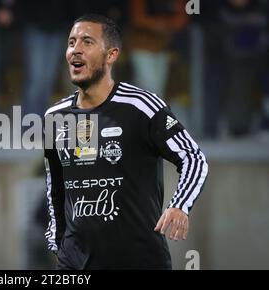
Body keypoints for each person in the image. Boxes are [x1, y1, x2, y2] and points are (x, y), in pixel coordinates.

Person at [43, 14, 208, 269]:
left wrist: (179, 206)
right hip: (75, 263)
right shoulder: (55, 117)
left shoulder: (142, 106)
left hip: (139, 261)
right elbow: (55, 188)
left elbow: (193, 158)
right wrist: (57, 241)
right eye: (72, 42)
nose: (75, 49)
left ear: (111, 55)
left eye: (87, 42)